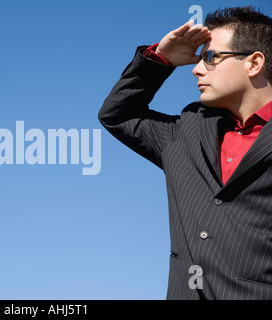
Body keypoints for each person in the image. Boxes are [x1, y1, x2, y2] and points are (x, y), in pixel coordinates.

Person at [98, 6, 272, 300]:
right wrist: (161, 60)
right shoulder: (186, 132)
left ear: (254, 63)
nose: (197, 68)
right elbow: (118, 115)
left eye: (211, 57)